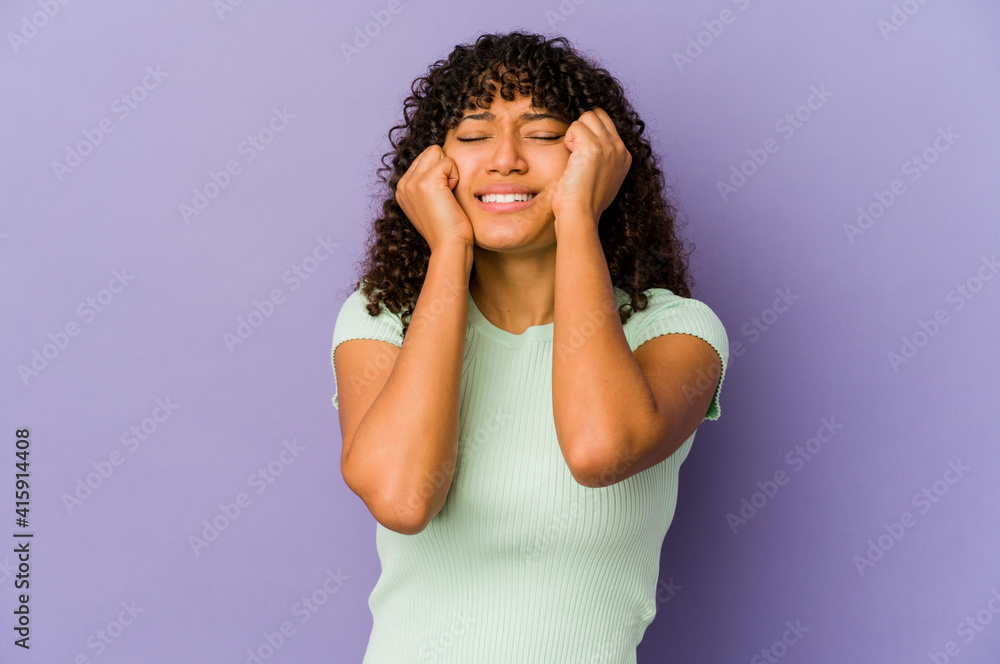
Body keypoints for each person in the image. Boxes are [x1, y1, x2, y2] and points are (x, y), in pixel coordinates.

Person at [330, 30, 729, 663]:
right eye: (473, 134)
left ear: (595, 160)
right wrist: (449, 250)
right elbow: (404, 498)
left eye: (543, 135)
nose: (506, 159)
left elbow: (599, 452)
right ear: (435, 165)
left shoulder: (675, 333)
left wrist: (577, 216)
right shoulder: (383, 319)